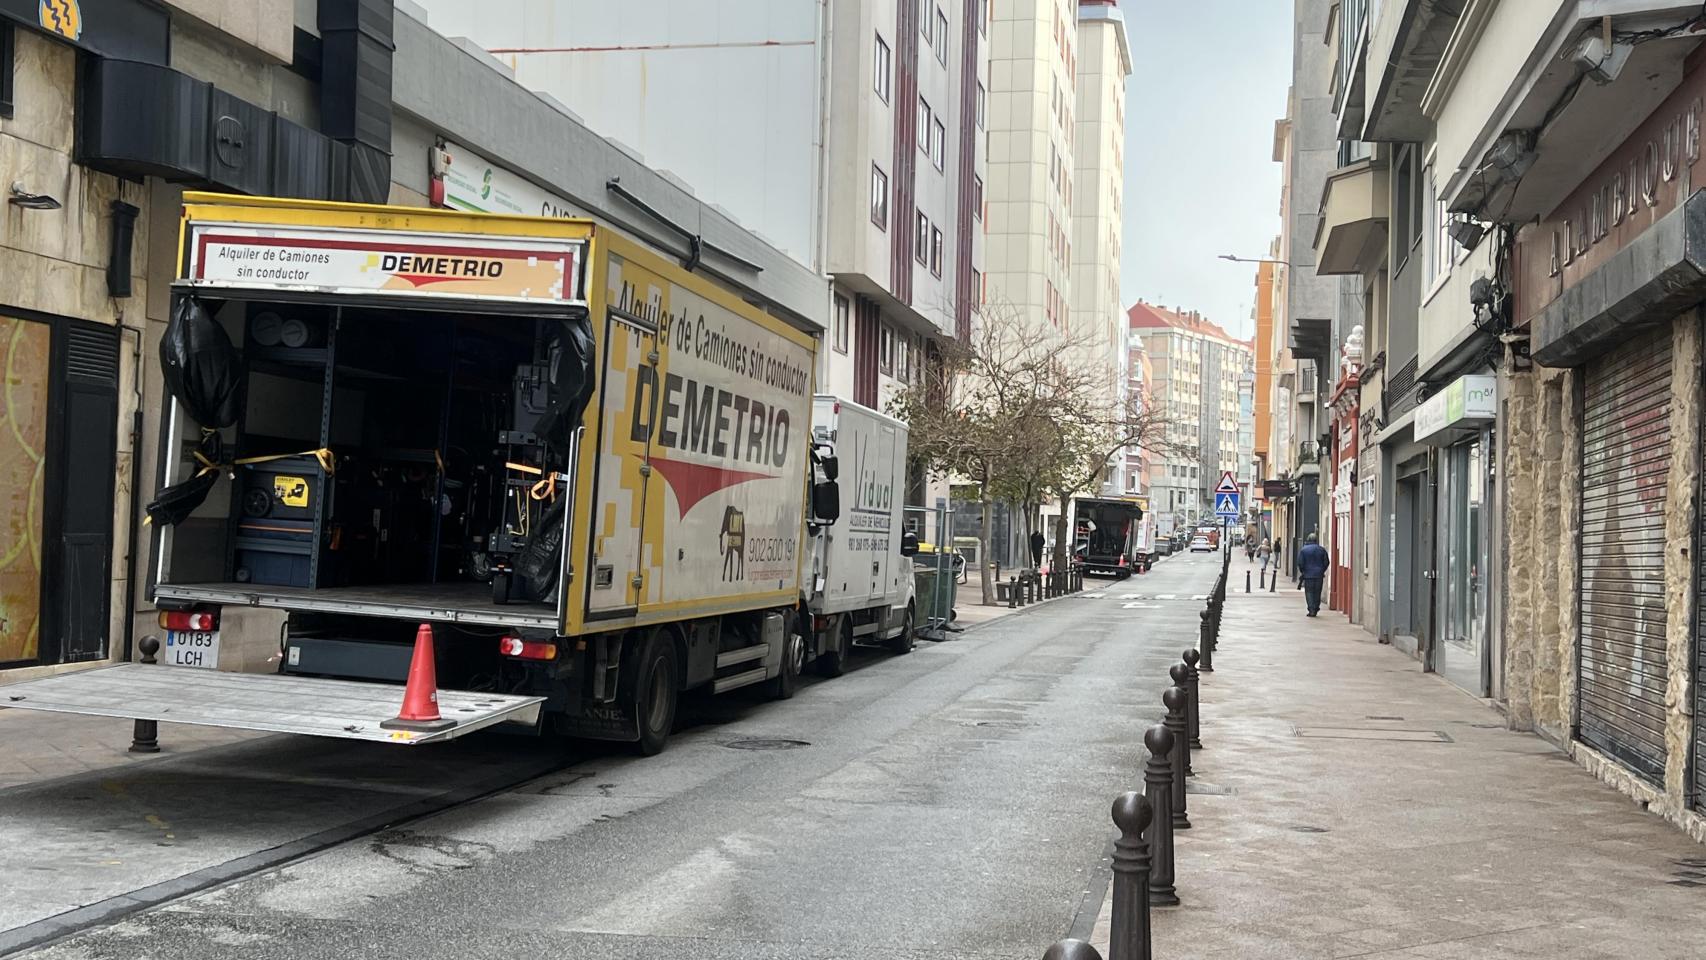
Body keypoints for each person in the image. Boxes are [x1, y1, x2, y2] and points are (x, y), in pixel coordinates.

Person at [1297, 532, 1330, 617]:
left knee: (1309, 592)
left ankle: (1311, 609)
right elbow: (1326, 562)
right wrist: (1322, 570)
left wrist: (1303, 571)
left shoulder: (1304, 550)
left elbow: (1300, 563)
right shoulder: (1321, 549)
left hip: (1308, 575)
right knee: (1317, 592)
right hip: (1319, 575)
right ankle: (1316, 607)